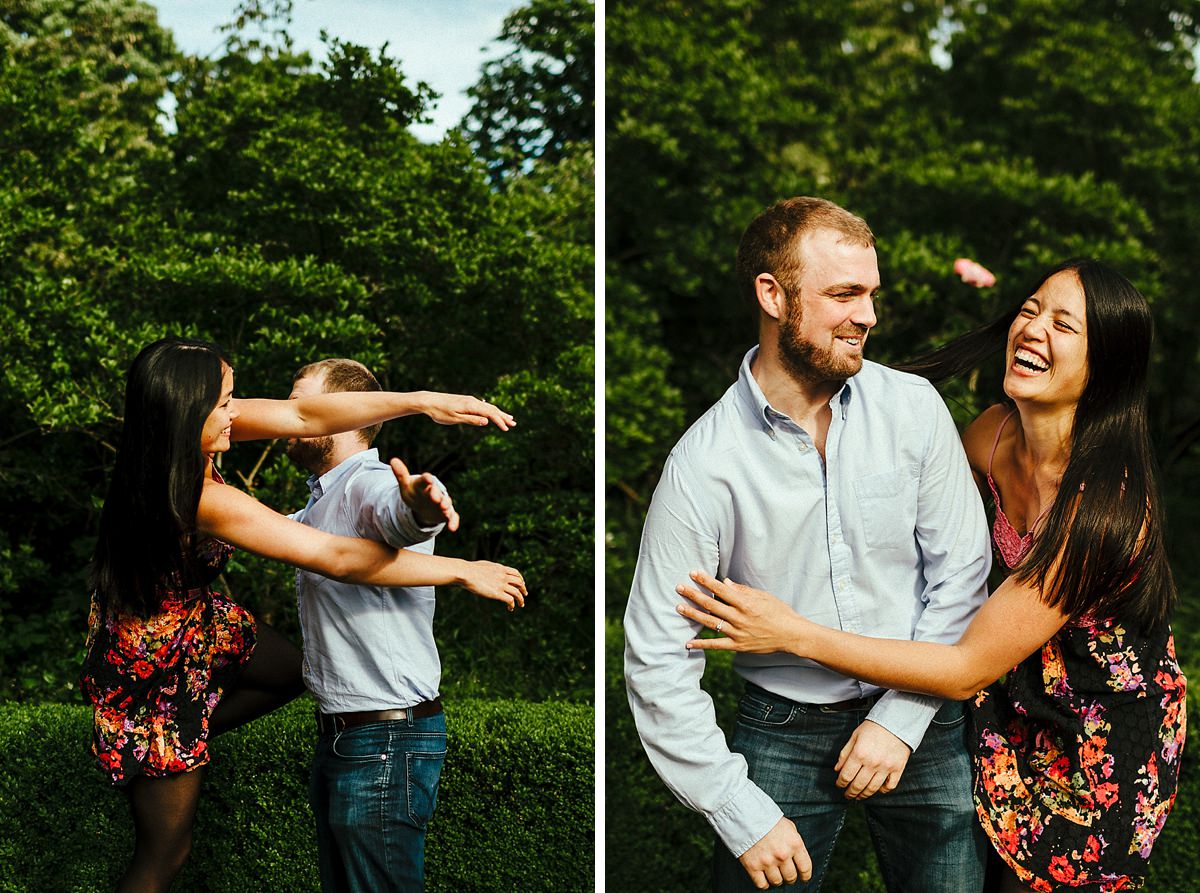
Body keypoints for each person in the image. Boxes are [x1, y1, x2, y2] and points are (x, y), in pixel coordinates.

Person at [677, 258, 1186, 892]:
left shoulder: (1105, 509)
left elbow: (968, 664)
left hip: (1094, 735)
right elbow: (934, 553)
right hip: (1009, 704)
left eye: (1064, 324)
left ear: (1106, 363)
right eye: (1029, 310)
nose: (1032, 329)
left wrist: (791, 631)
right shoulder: (991, 435)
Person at [623, 196, 992, 892]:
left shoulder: (914, 408)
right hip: (781, 730)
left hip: (927, 721)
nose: (869, 316)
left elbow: (964, 578)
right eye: (844, 294)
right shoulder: (704, 463)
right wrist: (740, 812)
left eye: (872, 293)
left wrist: (902, 719)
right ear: (772, 294)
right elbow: (656, 656)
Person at [80, 337, 527, 893]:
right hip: (155, 660)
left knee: (296, 670)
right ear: (187, 408)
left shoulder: (166, 439)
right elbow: (334, 554)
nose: (236, 413)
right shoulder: (197, 495)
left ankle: (175, 736)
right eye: (224, 402)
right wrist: (458, 569)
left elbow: (304, 414)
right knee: (166, 853)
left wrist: (423, 400)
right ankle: (164, 735)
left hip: (188, 627)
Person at [285, 358, 522, 892]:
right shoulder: (317, 505)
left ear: (344, 415)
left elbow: (394, 513)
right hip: (347, 738)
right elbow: (264, 530)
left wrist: (419, 506)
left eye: (303, 401)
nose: (290, 415)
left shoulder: (364, 485)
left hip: (385, 739)